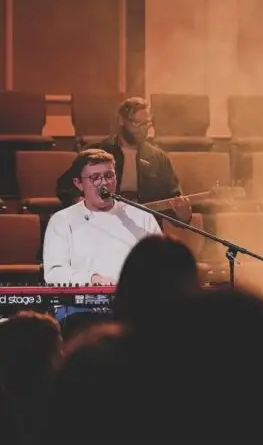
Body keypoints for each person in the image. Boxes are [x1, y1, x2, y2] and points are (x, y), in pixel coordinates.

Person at [43, 150, 161, 321]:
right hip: (81, 309)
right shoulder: (62, 220)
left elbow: (160, 264)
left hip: (134, 306)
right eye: (95, 178)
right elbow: (54, 273)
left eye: (108, 176)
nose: (103, 183)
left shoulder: (142, 217)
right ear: (78, 184)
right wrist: (93, 279)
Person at [56, 97, 191, 222]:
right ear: (121, 121)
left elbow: (174, 199)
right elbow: (65, 187)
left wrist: (183, 213)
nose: (143, 130)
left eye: (146, 124)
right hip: (102, 225)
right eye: (137, 123)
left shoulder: (159, 158)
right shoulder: (97, 151)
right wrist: (79, 201)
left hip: (144, 229)